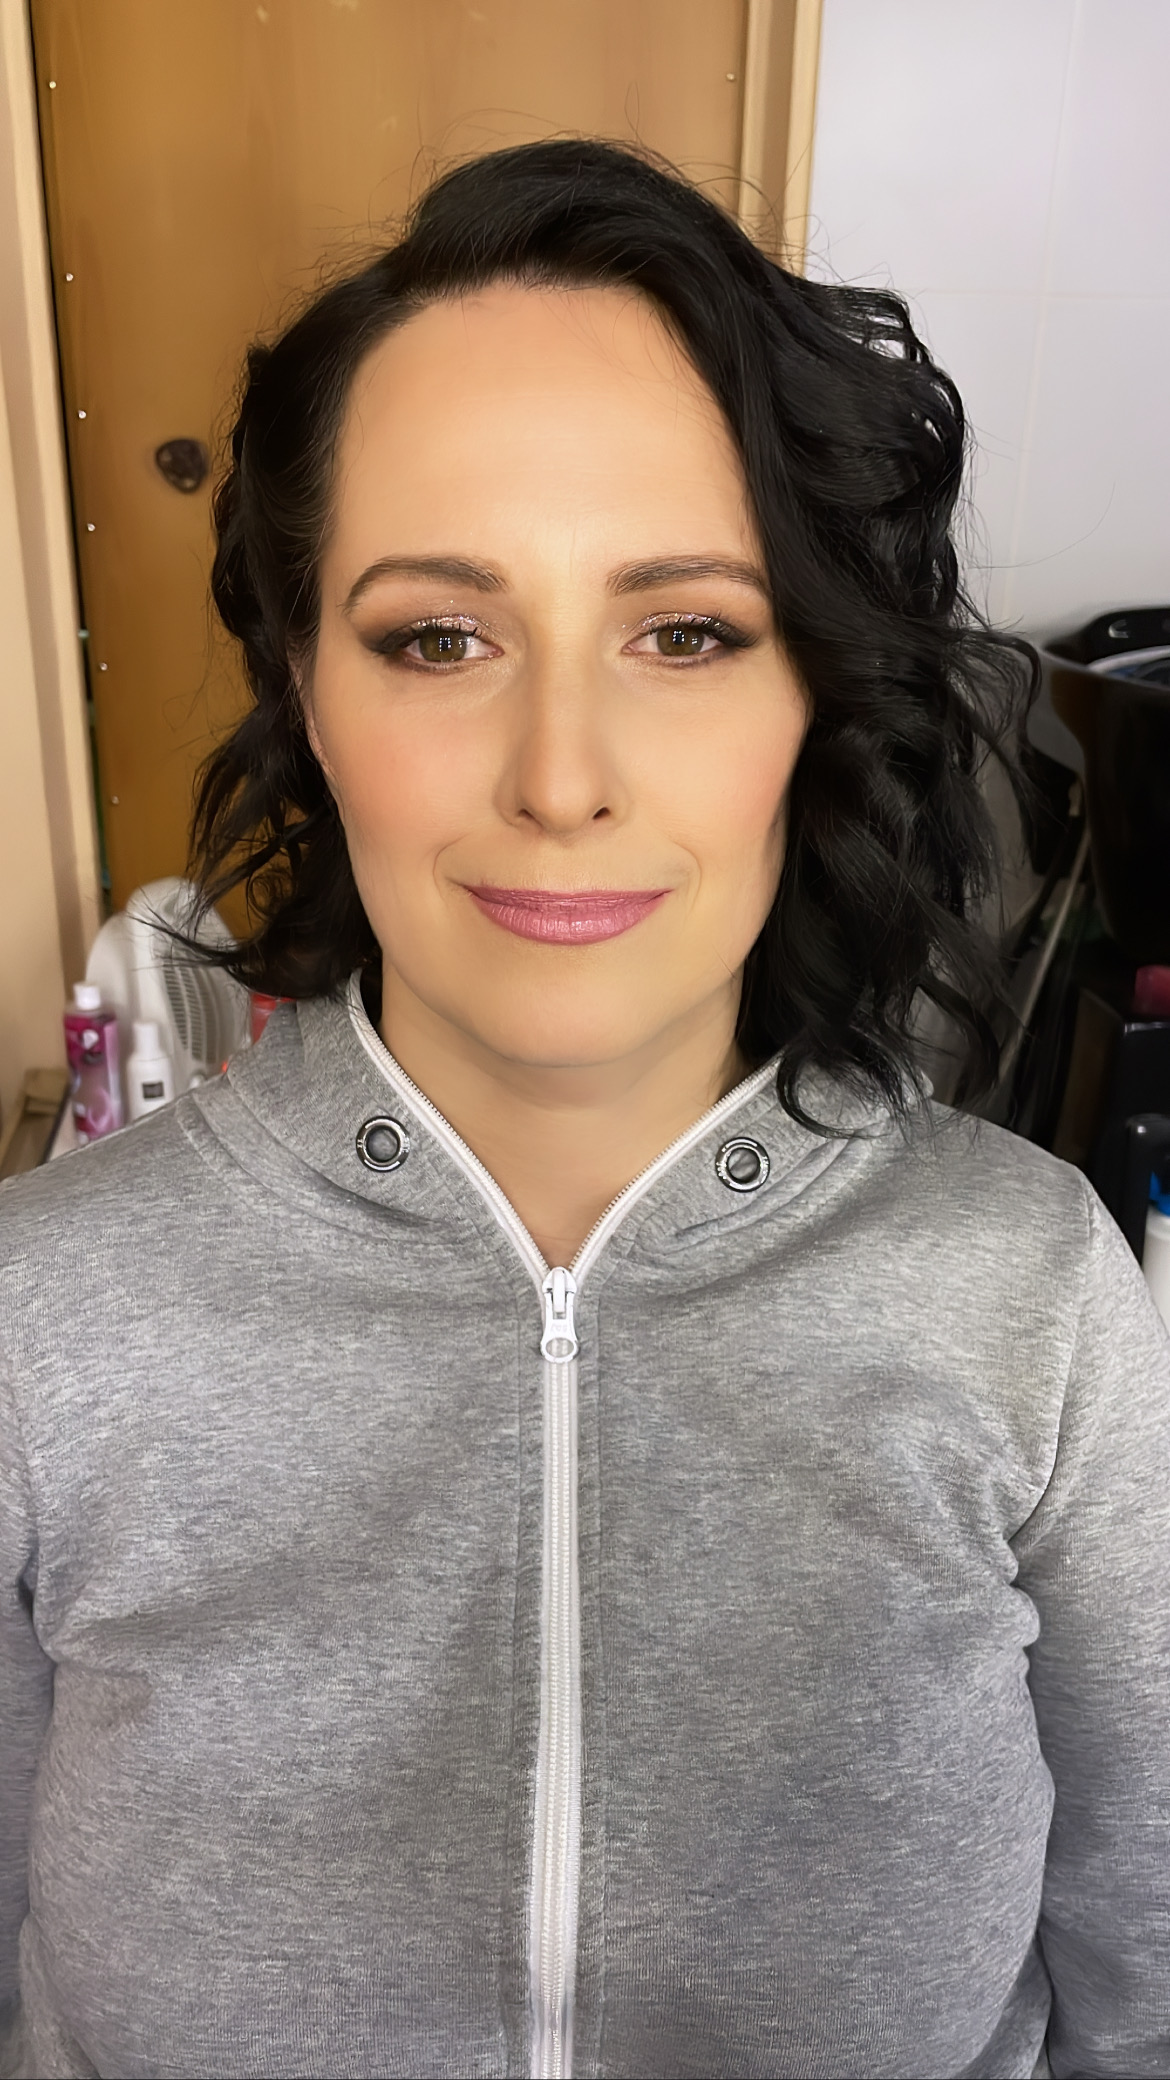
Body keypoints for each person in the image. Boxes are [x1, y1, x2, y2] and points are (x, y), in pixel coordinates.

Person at [1, 138, 1168, 2080]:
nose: (560, 775)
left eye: (686, 630)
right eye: (437, 635)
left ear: (812, 691)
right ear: (305, 685)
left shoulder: (1030, 1296)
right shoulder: (37, 1320)